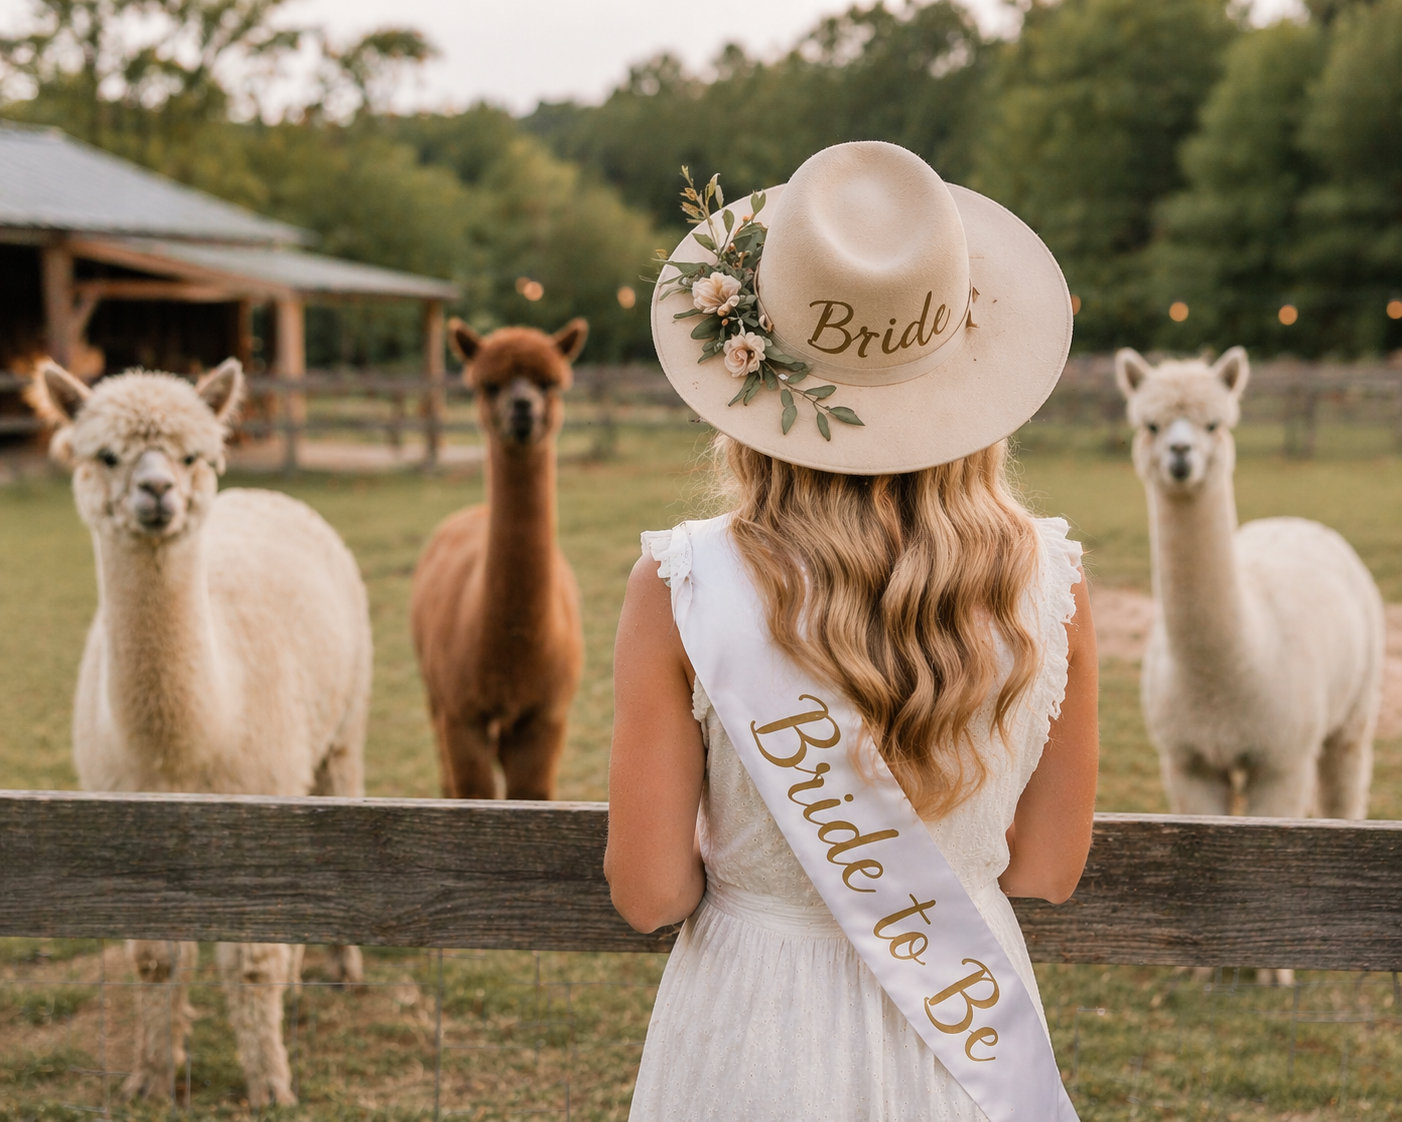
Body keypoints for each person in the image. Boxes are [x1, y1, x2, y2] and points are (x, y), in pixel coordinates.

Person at [606, 141, 1099, 1122]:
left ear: (753, 376)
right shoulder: (1048, 584)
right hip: (964, 1043)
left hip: (751, 1034)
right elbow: (1046, 869)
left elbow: (650, 892)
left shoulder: (681, 587)